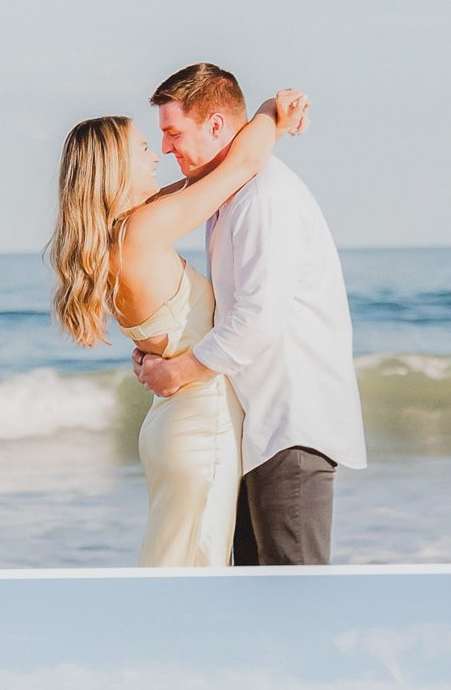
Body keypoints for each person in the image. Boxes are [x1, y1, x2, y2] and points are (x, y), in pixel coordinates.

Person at [49, 90, 310, 566]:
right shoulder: (142, 231)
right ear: (117, 169)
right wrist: (272, 111)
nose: (158, 156)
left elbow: (204, 177)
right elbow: (242, 165)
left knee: (175, 569)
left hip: (175, 425)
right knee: (192, 579)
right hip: (199, 427)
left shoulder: (119, 234)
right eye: (143, 149)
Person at [134, 63, 366, 567]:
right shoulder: (228, 194)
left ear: (216, 126)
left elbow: (259, 318)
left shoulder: (264, 198)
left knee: (292, 596)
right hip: (254, 423)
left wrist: (176, 372)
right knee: (258, 598)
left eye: (174, 133)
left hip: (289, 423)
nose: (169, 148)